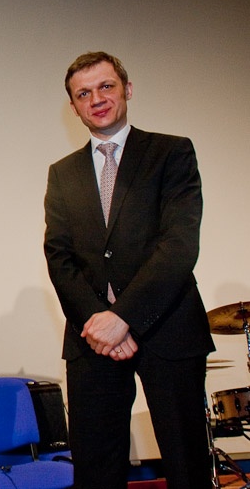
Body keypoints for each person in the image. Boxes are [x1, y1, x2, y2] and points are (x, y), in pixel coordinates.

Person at [43, 51, 215, 488]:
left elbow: (179, 245)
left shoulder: (171, 152)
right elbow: (59, 256)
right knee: (96, 469)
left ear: (127, 89)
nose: (96, 99)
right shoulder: (62, 173)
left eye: (106, 86)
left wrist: (123, 318)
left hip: (169, 330)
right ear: (73, 107)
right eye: (83, 94)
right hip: (92, 340)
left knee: (187, 465)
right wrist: (100, 321)